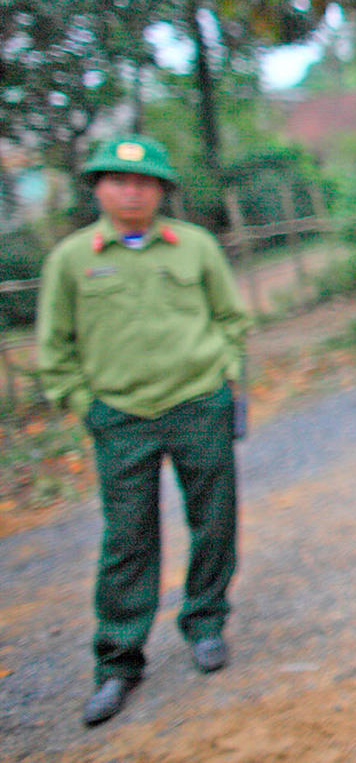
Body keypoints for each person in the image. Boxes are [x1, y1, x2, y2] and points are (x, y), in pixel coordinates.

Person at [36, 134, 251, 726]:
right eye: (118, 180)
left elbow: (232, 318)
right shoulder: (73, 260)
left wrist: (224, 376)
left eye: (143, 182)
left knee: (213, 518)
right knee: (127, 536)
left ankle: (206, 623)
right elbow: (54, 346)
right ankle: (118, 660)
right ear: (99, 189)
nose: (131, 190)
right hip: (121, 416)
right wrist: (84, 403)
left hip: (197, 405)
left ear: (160, 191)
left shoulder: (195, 247)